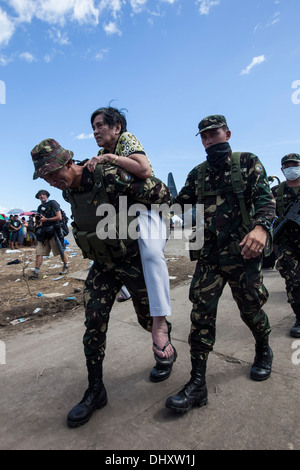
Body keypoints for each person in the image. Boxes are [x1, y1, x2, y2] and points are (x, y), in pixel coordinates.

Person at [30, 138, 177, 427]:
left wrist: (154, 227)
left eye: (53, 172)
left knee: (149, 319)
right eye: (45, 176)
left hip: (133, 259)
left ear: (67, 162)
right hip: (104, 266)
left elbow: (159, 191)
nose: (52, 180)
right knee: (93, 321)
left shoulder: (105, 175)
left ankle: (164, 349)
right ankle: (95, 390)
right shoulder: (69, 191)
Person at [165, 115, 276, 413]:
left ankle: (263, 349)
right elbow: (178, 204)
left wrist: (261, 228)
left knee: (251, 309)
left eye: (214, 133)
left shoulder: (247, 163)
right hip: (209, 257)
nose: (209, 139)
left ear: (227, 133)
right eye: (204, 136)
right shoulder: (197, 174)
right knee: (200, 314)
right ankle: (197, 383)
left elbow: (266, 201)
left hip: (244, 253)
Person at [85, 106, 174, 362]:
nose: (95, 131)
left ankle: (159, 323)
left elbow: (144, 170)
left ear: (117, 127)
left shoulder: (127, 140)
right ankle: (123, 289)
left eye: (100, 125)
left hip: (147, 208)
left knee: (152, 255)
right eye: (93, 127)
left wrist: (107, 160)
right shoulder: (102, 153)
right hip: (121, 214)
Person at [272, 153, 300, 338]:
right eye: (287, 166)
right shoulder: (276, 192)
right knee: (293, 281)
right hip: (287, 244)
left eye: (294, 165)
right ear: (282, 169)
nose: (290, 169)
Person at [27, 189, 69, 279]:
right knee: (39, 251)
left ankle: (66, 266)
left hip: (54, 231)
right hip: (44, 231)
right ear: (38, 197)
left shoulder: (53, 203)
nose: (42, 196)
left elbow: (59, 217)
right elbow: (40, 222)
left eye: (43, 194)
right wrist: (38, 221)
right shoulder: (39, 207)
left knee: (60, 250)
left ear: (47, 195)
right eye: (40, 195)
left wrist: (47, 219)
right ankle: (36, 272)